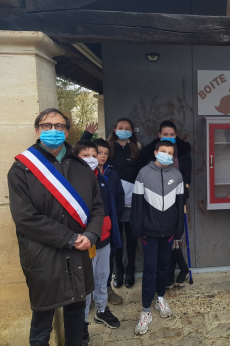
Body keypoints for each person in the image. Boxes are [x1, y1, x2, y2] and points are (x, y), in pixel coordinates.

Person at [8, 108, 104, 346]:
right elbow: (25, 217)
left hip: (79, 253)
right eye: (46, 126)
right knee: (42, 322)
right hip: (43, 256)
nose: (53, 130)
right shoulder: (22, 169)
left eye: (59, 126)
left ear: (67, 131)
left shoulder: (82, 168)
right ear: (37, 130)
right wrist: (70, 238)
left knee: (76, 316)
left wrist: (91, 234)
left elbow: (97, 207)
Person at [131, 140, 185, 335]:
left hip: (168, 232)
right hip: (149, 233)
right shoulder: (144, 173)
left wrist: (178, 231)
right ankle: (146, 310)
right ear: (155, 152)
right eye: (163, 152)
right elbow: (136, 205)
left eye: (170, 153)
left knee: (164, 267)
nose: (167, 155)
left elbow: (180, 206)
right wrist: (138, 229)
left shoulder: (177, 175)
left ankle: (160, 298)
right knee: (149, 269)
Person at [72, 140, 123, 345]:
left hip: (104, 238)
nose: (92, 159)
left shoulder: (102, 179)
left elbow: (109, 206)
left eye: (95, 156)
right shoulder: (72, 181)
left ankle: (101, 310)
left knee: (103, 276)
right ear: (76, 158)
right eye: (86, 156)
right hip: (86, 241)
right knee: (86, 282)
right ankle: (82, 322)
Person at [84, 119, 142, 289]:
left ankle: (131, 269)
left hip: (131, 202)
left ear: (132, 131)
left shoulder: (136, 148)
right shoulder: (106, 147)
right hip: (112, 206)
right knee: (116, 240)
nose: (124, 131)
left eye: (128, 129)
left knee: (131, 238)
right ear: (114, 129)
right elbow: (80, 152)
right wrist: (87, 134)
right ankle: (119, 270)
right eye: (121, 128)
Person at [140, 120, 191, 288]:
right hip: (155, 201)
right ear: (159, 135)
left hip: (177, 198)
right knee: (164, 238)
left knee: (175, 237)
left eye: (172, 134)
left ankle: (179, 270)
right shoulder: (150, 152)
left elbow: (187, 177)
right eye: (165, 134)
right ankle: (171, 272)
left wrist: (183, 196)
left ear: (176, 135)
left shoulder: (183, 152)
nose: (168, 137)